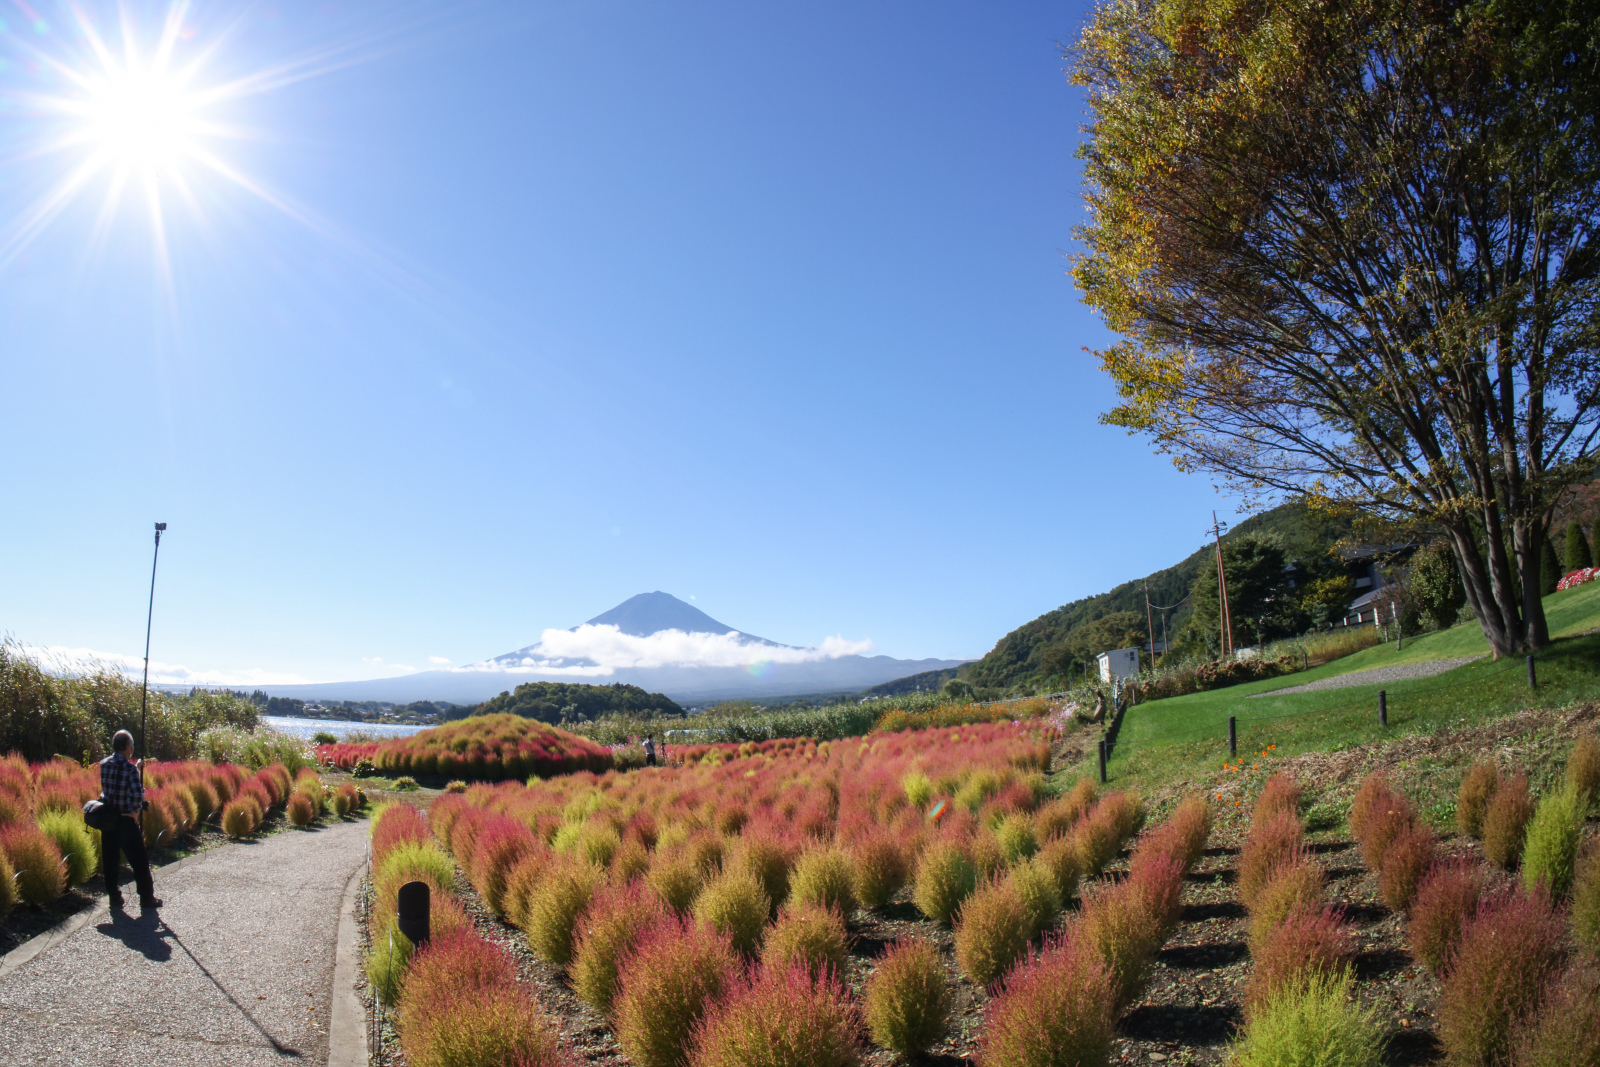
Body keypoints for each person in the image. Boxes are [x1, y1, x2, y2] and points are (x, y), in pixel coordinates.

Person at [99, 730, 161, 911]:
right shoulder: (130, 769)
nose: (133, 748)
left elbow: (109, 788)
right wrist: (135, 811)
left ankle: (114, 897)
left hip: (108, 819)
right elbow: (137, 795)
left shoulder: (104, 764)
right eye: (132, 745)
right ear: (126, 746)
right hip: (125, 821)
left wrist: (136, 767)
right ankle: (146, 898)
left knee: (110, 860)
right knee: (139, 860)